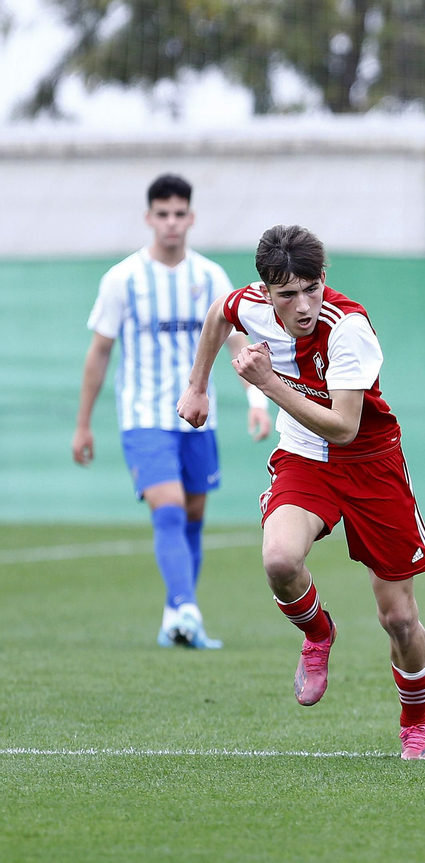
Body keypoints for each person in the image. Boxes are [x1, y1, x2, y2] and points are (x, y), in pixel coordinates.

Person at [177, 225, 425, 759]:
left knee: (399, 618)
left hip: (370, 464)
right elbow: (217, 316)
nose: (303, 305)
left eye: (312, 288)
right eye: (288, 293)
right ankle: (318, 633)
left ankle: (415, 720)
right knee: (278, 559)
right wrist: (197, 385)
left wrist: (267, 383)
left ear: (325, 279)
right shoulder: (248, 304)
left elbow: (344, 427)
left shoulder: (349, 328)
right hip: (304, 456)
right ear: (266, 290)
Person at [72, 173, 271, 649]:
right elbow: (99, 353)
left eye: (179, 214)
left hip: (199, 420)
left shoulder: (209, 278)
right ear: (149, 219)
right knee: (170, 509)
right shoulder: (123, 279)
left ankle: (173, 616)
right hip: (144, 416)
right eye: (162, 214)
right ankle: (186, 608)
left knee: (194, 514)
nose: (171, 223)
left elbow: (238, 341)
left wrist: (256, 400)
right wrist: (83, 424)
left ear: (191, 218)